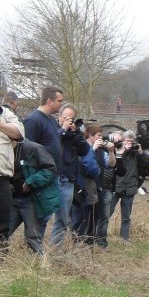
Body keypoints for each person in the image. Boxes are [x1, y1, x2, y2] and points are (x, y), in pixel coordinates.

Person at [23, 86, 64, 239]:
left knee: (45, 216)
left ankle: (37, 247)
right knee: (37, 217)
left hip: (52, 176)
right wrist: (33, 179)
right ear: (49, 101)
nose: (61, 104)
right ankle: (32, 249)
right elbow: (26, 152)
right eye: (59, 101)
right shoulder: (32, 120)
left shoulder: (51, 120)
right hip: (41, 177)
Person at [10, 138, 60, 254]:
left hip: (33, 199)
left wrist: (30, 182)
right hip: (12, 198)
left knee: (32, 238)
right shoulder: (4, 149)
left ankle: (37, 263)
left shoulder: (34, 148)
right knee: (3, 232)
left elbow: (50, 169)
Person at [51, 104, 90, 247]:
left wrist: (77, 133)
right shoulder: (52, 129)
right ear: (59, 116)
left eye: (71, 118)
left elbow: (84, 151)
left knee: (63, 219)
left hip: (67, 179)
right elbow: (51, 144)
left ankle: (55, 251)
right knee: (42, 217)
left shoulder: (73, 134)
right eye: (66, 118)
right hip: (52, 178)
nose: (69, 121)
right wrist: (63, 130)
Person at [109, 129, 149, 240]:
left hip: (130, 187)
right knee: (107, 213)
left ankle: (124, 239)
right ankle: (101, 236)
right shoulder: (117, 149)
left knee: (126, 217)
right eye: (127, 141)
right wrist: (123, 150)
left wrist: (140, 152)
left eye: (131, 142)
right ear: (122, 140)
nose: (129, 143)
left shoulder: (136, 153)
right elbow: (113, 163)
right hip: (116, 186)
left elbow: (147, 164)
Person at [72, 124, 107, 244]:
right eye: (98, 135)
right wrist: (98, 169)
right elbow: (91, 169)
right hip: (84, 187)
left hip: (86, 187)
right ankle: (78, 244)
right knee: (82, 218)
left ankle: (83, 243)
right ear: (91, 136)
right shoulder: (87, 149)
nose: (101, 138)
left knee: (87, 218)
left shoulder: (98, 150)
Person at [0, 99, 25, 253]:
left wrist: (2, 125)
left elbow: (19, 133)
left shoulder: (5, 113)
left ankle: (1, 260)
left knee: (3, 225)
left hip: (2, 178)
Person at [94, 132, 120, 248]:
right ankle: (90, 239)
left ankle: (101, 242)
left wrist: (112, 151)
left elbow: (114, 166)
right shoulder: (92, 149)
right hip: (95, 186)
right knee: (93, 215)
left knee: (105, 216)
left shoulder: (109, 152)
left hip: (107, 187)